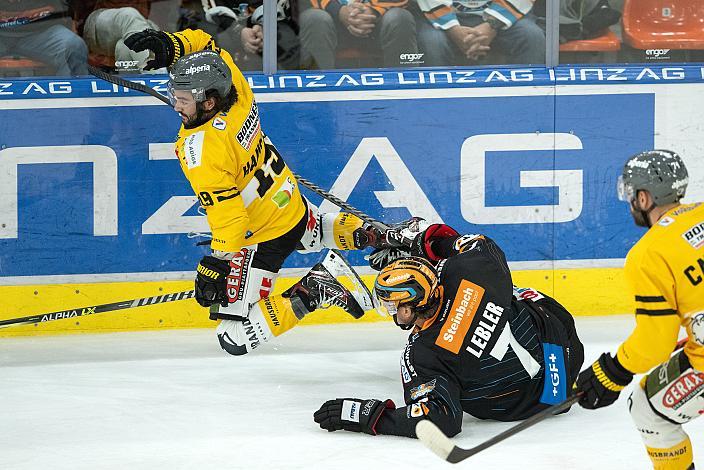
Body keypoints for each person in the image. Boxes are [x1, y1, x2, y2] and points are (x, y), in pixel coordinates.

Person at [123, 28, 381, 356]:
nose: (176, 105)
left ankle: (315, 288)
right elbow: (208, 45)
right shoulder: (238, 90)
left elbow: (228, 217)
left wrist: (217, 263)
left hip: (262, 234)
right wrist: (171, 46)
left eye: (184, 99)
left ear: (208, 101)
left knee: (234, 336)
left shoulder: (200, 150)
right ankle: (378, 238)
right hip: (290, 205)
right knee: (308, 232)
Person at [313, 222, 584, 437]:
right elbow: (481, 244)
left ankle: (414, 259)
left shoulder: (422, 354)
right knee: (505, 290)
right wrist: (429, 243)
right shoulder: (470, 270)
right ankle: (417, 255)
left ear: (407, 309)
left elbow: (442, 418)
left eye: (393, 305)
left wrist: (370, 416)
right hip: (566, 347)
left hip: (542, 402)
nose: (392, 312)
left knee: (449, 374)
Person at [575, 150, 703, 470]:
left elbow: (655, 342)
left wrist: (613, 371)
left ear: (644, 198)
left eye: (631, 194)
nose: (630, 202)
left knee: (647, 410)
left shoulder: (648, 253)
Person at [414, 0, 545, 66]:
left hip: (505, 16)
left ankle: (526, 108)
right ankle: (436, 108)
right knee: (431, 42)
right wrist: (451, 27)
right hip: (441, 16)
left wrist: (493, 24)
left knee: (532, 36)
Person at [298, 0, 418, 69]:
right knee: (314, 19)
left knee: (399, 18)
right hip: (328, 17)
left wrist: (373, 10)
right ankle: (317, 98)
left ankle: (404, 98)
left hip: (376, 19)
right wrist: (338, 11)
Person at [203, 0, 301, 71]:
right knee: (217, 42)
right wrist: (238, 31)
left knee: (285, 38)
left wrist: (265, 27)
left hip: (273, 29)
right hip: (228, 33)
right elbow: (212, 11)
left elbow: (284, 7)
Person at [0, 0, 88, 75]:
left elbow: (65, 7)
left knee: (74, 45)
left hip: (41, 32)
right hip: (2, 35)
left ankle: (72, 92)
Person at [72, 0, 159, 70]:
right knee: (129, 16)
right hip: (98, 19)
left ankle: (135, 89)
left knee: (124, 48)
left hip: (141, 23)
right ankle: (157, 79)